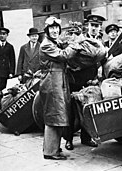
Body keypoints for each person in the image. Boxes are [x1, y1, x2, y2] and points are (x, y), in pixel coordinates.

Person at [39, 16, 81, 160]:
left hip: (57, 81)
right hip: (51, 83)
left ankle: (54, 148)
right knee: (53, 116)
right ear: (47, 30)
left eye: (57, 28)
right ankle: (50, 152)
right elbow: (63, 56)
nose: (55, 30)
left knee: (58, 115)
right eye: (52, 28)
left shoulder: (54, 42)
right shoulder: (46, 45)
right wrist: (74, 45)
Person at [65, 16, 106, 150]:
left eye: (97, 26)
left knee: (87, 110)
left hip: (90, 81)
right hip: (75, 79)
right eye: (92, 25)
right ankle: (69, 139)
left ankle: (86, 138)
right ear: (87, 26)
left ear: (100, 28)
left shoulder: (100, 43)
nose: (94, 28)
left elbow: (103, 60)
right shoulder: (79, 39)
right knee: (71, 111)